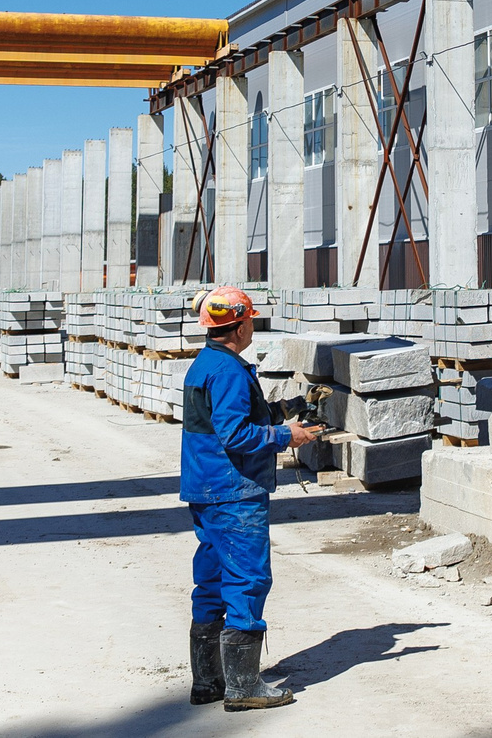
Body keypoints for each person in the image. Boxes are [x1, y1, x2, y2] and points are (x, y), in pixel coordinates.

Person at [178, 285, 321, 711]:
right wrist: (286, 436)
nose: (252, 327)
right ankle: (243, 687)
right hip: (233, 491)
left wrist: (291, 407)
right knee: (247, 578)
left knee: (212, 580)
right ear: (239, 326)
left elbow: (235, 417)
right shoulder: (228, 371)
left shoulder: (208, 363)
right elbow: (236, 434)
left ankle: (208, 681)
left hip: (206, 486)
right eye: (251, 321)